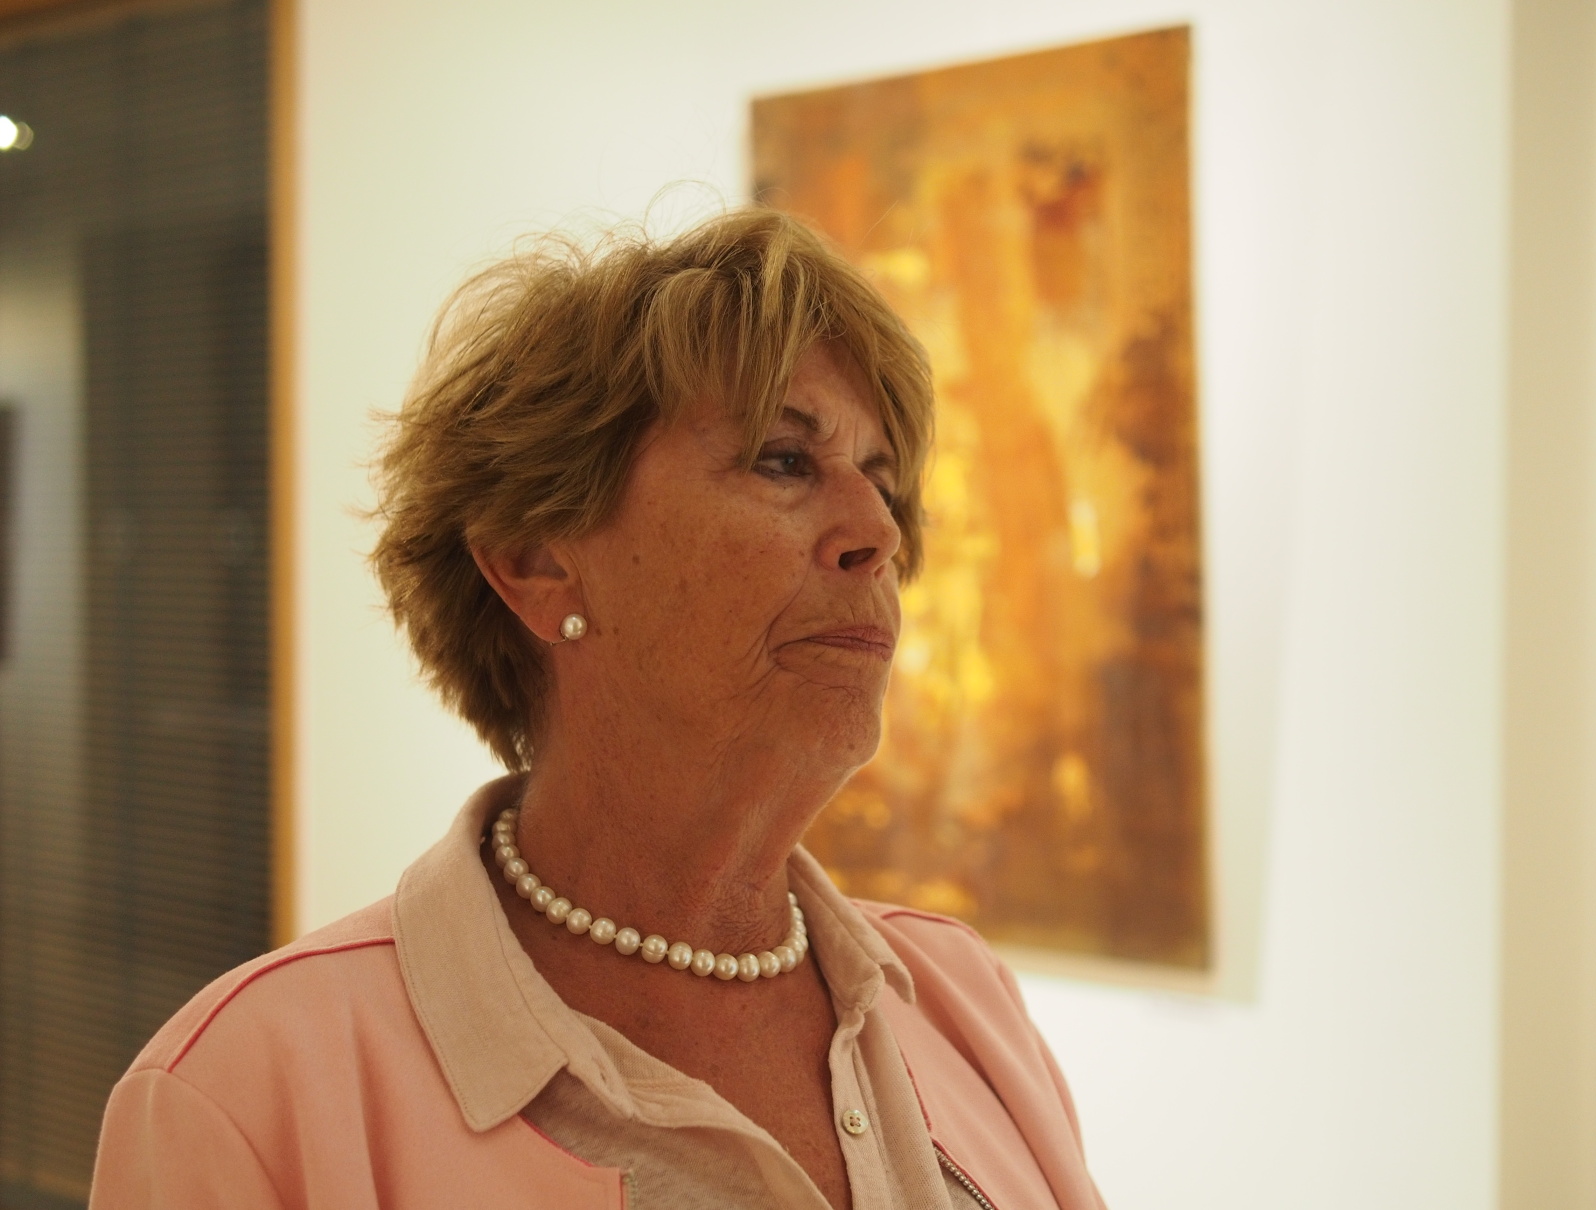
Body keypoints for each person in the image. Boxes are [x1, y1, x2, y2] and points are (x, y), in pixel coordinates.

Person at [88, 209, 1108, 1209]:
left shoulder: (957, 996)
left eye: (882, 481)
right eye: (782, 460)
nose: (875, 532)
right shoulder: (245, 1095)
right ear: (536, 562)